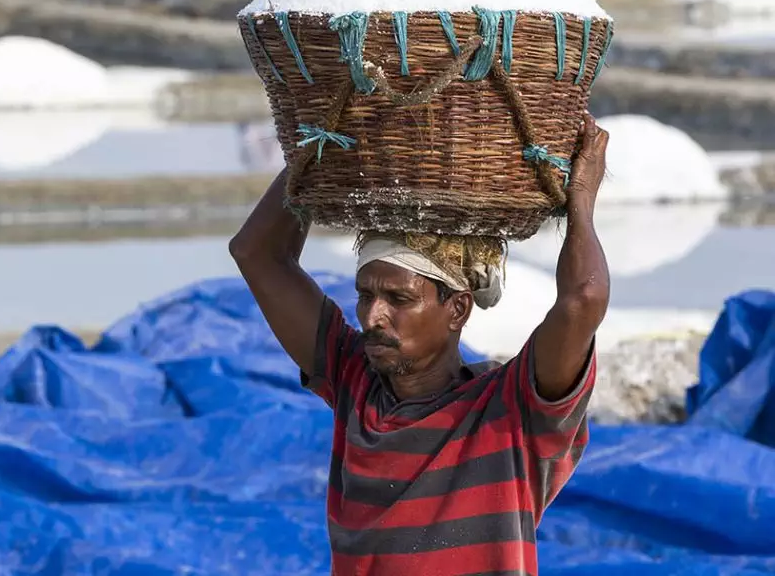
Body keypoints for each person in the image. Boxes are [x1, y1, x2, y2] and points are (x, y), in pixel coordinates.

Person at [228, 113, 611, 576]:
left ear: (458, 309)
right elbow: (256, 253)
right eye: (365, 294)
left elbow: (583, 298)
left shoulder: (510, 409)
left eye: (399, 298)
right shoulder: (356, 383)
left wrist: (581, 204)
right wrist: (315, 142)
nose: (373, 315)